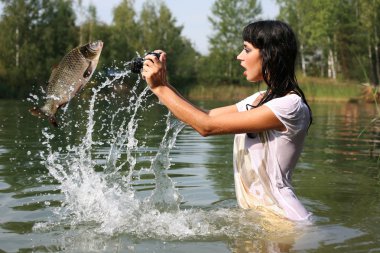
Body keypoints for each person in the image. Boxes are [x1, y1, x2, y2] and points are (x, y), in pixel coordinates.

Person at [142, 20, 312, 222]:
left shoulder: (290, 106)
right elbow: (207, 115)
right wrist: (164, 83)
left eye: (247, 50)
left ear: (270, 54)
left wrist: (159, 88)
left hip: (285, 221)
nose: (239, 56)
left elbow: (206, 126)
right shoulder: (260, 100)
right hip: (260, 219)